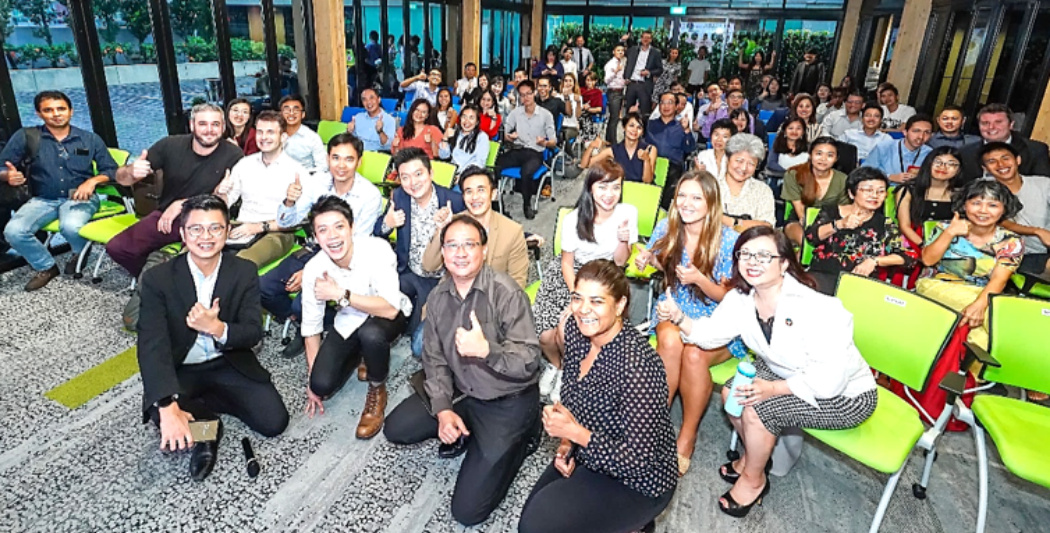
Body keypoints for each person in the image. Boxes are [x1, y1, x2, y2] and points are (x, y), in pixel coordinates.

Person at [665, 226, 877, 518]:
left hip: (844, 394)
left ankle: (753, 479)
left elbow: (829, 380)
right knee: (731, 394)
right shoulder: (741, 299)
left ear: (785, 263)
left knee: (756, 410)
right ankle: (755, 458)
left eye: (764, 256)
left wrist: (773, 389)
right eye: (746, 254)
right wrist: (679, 317)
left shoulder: (819, 308)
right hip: (783, 371)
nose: (752, 262)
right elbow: (711, 335)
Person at [384, 215, 541, 527]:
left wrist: (487, 351)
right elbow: (434, 359)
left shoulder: (506, 293)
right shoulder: (438, 297)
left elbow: (530, 360)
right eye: (452, 245)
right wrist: (443, 410)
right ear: (443, 253)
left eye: (469, 244)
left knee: (468, 512)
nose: (460, 253)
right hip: (463, 389)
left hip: (506, 399)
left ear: (484, 249)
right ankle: (467, 428)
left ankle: (525, 434)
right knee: (396, 428)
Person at [137, 195, 290, 482]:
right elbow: (151, 345)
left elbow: (252, 332)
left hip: (227, 361)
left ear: (227, 231)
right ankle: (208, 427)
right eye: (196, 229)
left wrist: (218, 328)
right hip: (182, 367)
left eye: (215, 228)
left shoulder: (243, 270)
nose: (205, 237)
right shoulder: (158, 279)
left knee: (274, 422)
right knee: (161, 412)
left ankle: (207, 401)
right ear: (183, 234)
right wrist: (167, 407)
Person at [518, 259, 677, 533]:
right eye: (577, 298)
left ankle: (637, 523)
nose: (583, 309)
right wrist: (567, 442)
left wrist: (576, 434)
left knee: (536, 527)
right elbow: (571, 393)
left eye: (597, 301)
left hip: (638, 481)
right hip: (590, 447)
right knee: (532, 517)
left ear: (620, 305)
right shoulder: (576, 331)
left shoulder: (639, 366)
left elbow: (641, 461)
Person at [633, 171, 744, 476]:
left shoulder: (730, 241)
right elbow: (665, 266)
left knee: (694, 355)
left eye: (696, 197)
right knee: (670, 342)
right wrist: (650, 261)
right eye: (682, 195)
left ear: (711, 202)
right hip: (676, 305)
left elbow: (730, 298)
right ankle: (655, 421)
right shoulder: (667, 226)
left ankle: (687, 434)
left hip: (718, 318)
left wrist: (700, 280)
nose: (686, 203)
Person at [299, 195, 409, 438]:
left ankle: (377, 387)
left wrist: (341, 295)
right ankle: (362, 354)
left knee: (371, 334)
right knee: (321, 384)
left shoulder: (377, 249)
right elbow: (311, 326)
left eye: (339, 227)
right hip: (348, 321)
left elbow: (390, 308)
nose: (333, 236)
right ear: (315, 237)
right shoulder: (314, 269)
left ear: (352, 227)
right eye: (323, 230)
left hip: (385, 316)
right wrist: (313, 376)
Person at [266, 133, 384, 358]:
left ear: (359, 162)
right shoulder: (317, 182)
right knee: (264, 288)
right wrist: (289, 202)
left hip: (345, 259)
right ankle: (309, 322)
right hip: (313, 248)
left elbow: (355, 244)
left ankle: (314, 324)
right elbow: (287, 222)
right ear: (328, 158)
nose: (341, 165)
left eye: (349, 159)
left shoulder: (369, 195)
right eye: (336, 158)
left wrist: (309, 271)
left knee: (301, 303)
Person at [534, 161, 637, 403]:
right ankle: (557, 365)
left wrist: (624, 240)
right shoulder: (574, 218)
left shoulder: (627, 213)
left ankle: (570, 374)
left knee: (566, 331)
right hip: (571, 275)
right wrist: (576, 298)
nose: (610, 194)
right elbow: (566, 263)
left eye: (616, 187)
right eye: (603, 187)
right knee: (545, 334)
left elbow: (620, 262)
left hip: (603, 275)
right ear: (590, 187)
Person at [108, 103, 243, 278]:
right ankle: (151, 280)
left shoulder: (234, 155)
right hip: (168, 217)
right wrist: (131, 172)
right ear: (192, 125)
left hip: (206, 219)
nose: (209, 130)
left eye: (215, 124)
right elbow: (121, 179)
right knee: (118, 247)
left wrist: (184, 204)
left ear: (223, 127)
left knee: (193, 267)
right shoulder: (170, 145)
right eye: (203, 124)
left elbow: (227, 201)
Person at [1, 91, 115, 290]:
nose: (56, 114)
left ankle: (79, 252)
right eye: (48, 110)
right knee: (13, 232)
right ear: (39, 114)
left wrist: (93, 181)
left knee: (70, 226)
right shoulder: (26, 137)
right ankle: (46, 266)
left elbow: (111, 170)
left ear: (71, 111)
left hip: (79, 197)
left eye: (61, 109)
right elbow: (2, 166)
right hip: (43, 199)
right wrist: (7, 176)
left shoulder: (89, 139)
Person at [374, 148, 465, 358]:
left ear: (430, 173)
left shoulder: (452, 200)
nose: (413, 183)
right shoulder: (399, 196)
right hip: (409, 271)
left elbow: (484, 224)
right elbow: (378, 230)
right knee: (380, 309)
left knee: (420, 340)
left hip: (441, 277)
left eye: (418, 174)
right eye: (405, 177)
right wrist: (387, 223)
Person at [917, 179, 1024, 350]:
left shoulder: (1010, 241)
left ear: (1004, 209)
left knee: (982, 336)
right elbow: (928, 260)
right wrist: (950, 233)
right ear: (964, 205)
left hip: (983, 293)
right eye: (976, 203)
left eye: (992, 205)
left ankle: (973, 368)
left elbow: (999, 279)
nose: (983, 210)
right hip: (936, 284)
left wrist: (980, 304)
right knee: (998, 319)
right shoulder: (945, 227)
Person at [214, 110, 307, 267]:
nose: (264, 137)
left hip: (277, 231)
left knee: (239, 265)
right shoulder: (244, 164)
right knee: (193, 252)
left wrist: (258, 227)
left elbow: (300, 220)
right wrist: (220, 192)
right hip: (241, 226)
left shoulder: (297, 172)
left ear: (283, 137)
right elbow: (224, 204)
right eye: (260, 132)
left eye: (270, 132)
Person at [804, 167, 912, 294]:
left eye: (881, 191)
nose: (874, 195)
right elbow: (811, 236)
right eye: (868, 190)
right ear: (851, 193)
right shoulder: (831, 211)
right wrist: (839, 224)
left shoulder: (884, 223)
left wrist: (874, 261)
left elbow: (908, 256)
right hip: (824, 275)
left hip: (861, 282)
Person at [422, 166, 529, 288]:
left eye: (481, 190)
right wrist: (441, 229)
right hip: (454, 293)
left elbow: (517, 283)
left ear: (493, 194)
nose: (474, 197)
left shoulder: (512, 231)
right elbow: (429, 266)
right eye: (469, 192)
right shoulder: (453, 223)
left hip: (494, 296)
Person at [979, 142, 1050, 272]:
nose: (1001, 164)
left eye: (1005, 158)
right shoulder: (984, 191)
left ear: (1018, 160)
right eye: (992, 161)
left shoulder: (1043, 183)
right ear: (985, 168)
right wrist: (1037, 231)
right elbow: (1000, 221)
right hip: (1016, 255)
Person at [495, 80, 557, 220]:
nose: (525, 98)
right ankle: (497, 204)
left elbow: (553, 141)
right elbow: (505, 133)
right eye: (522, 95)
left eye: (528, 94)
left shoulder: (545, 115)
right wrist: (509, 137)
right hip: (518, 149)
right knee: (495, 164)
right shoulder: (515, 113)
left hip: (536, 153)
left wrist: (545, 142)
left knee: (526, 172)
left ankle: (527, 204)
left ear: (534, 93)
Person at [781, 137, 849, 245]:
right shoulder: (793, 174)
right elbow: (801, 212)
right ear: (810, 154)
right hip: (799, 221)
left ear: (836, 158)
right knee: (806, 242)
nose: (823, 159)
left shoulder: (843, 180)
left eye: (830, 155)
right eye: (819, 154)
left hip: (830, 223)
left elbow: (844, 209)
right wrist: (814, 231)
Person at [958, 103, 1050, 183]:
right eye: (985, 123)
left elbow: (1043, 185)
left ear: (1011, 125)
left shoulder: (1035, 150)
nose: (991, 127)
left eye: (998, 122)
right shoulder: (965, 152)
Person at [897, 146, 962, 248]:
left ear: (958, 170)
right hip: (913, 243)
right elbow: (904, 226)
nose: (943, 167)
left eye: (951, 164)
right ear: (928, 164)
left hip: (950, 245)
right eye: (938, 162)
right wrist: (925, 246)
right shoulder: (908, 190)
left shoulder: (961, 195)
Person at [648, 92, 697, 208]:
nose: (666, 106)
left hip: (673, 167)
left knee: (666, 200)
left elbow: (690, 148)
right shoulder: (649, 124)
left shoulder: (681, 126)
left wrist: (687, 131)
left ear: (676, 106)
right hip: (651, 165)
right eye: (662, 102)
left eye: (670, 103)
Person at [581, 113, 657, 184]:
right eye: (631, 125)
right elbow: (585, 165)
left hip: (643, 191)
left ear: (642, 132)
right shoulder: (613, 150)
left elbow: (647, 181)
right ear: (624, 127)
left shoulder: (650, 149)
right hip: (621, 190)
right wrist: (591, 147)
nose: (634, 130)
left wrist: (646, 160)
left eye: (639, 127)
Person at [721, 134, 775, 230]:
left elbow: (767, 226)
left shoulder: (763, 190)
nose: (743, 168)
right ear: (727, 158)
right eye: (739, 161)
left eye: (751, 164)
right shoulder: (709, 185)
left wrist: (733, 222)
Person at [863, 114, 933, 184]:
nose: (921, 136)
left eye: (927, 132)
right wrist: (889, 177)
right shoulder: (884, 147)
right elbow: (864, 171)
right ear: (905, 132)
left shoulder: (930, 153)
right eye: (916, 131)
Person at [277, 95, 327, 173]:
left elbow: (323, 166)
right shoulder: (274, 135)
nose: (291, 113)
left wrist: (302, 175)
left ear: (303, 114)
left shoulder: (312, 138)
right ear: (280, 114)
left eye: (296, 110)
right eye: (287, 110)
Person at [439, 105, 491, 179]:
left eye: (471, 118)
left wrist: (462, 177)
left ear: (477, 122)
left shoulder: (482, 137)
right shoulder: (456, 133)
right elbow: (443, 156)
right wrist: (445, 138)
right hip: (451, 173)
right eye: (464, 117)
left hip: (470, 176)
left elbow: (479, 163)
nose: (467, 121)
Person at [623, 30, 663, 118]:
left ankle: (643, 126)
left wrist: (649, 72)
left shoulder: (656, 52)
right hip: (632, 83)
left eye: (648, 38)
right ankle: (628, 125)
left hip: (645, 84)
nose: (645, 40)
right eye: (644, 37)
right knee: (629, 109)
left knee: (645, 110)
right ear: (641, 39)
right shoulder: (633, 50)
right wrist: (623, 41)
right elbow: (622, 53)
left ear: (651, 40)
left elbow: (660, 69)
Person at [347, 87, 397, 152]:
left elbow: (388, 146)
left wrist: (380, 131)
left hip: (378, 154)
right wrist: (349, 132)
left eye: (371, 98)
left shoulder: (389, 120)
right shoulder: (358, 117)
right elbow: (350, 140)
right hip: (359, 152)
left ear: (379, 99)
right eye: (364, 99)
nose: (368, 102)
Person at [604, 44, 628, 144]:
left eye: (622, 50)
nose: (620, 52)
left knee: (614, 117)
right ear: (613, 52)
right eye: (618, 50)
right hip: (613, 92)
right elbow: (606, 80)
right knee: (614, 117)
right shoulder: (610, 64)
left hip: (621, 91)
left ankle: (608, 138)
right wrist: (616, 72)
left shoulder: (623, 62)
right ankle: (613, 141)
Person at [557, 73, 584, 147]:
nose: (568, 83)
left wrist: (578, 103)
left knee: (566, 135)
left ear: (574, 83)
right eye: (566, 81)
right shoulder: (558, 97)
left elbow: (578, 116)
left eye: (570, 81)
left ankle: (569, 154)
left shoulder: (578, 97)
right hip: (560, 126)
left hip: (572, 127)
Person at [579, 72, 605, 144]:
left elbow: (599, 109)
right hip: (580, 111)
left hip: (592, 113)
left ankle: (587, 138)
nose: (589, 82)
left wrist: (588, 109)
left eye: (591, 80)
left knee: (585, 117)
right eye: (587, 80)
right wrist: (583, 106)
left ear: (595, 81)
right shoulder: (580, 90)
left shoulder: (598, 92)